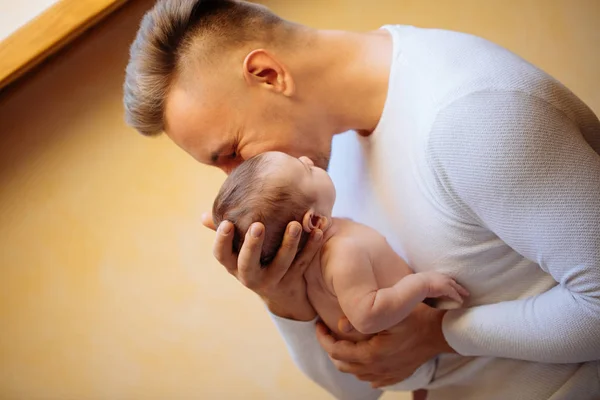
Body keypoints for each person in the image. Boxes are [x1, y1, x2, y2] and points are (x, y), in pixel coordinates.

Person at [123, 1, 600, 399]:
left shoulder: (472, 116)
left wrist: (440, 334)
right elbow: (361, 389)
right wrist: (285, 299)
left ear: (268, 74)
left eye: (230, 152)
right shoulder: (315, 166)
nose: (238, 177)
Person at [212, 151, 469, 346]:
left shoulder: (324, 245)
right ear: (314, 221)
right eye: (305, 170)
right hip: (404, 346)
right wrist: (422, 285)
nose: (307, 159)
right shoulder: (342, 254)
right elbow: (367, 316)